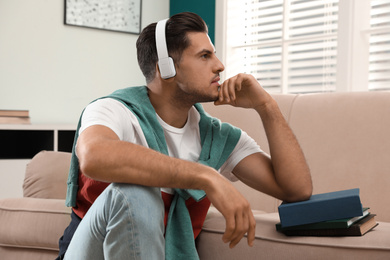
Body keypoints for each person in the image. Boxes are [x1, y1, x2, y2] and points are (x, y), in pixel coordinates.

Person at [57, 12, 312, 260]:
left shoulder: (216, 139)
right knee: (136, 192)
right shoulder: (114, 110)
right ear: (166, 68)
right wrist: (206, 176)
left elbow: (296, 189)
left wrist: (266, 106)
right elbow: (94, 156)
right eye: (204, 56)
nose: (220, 65)